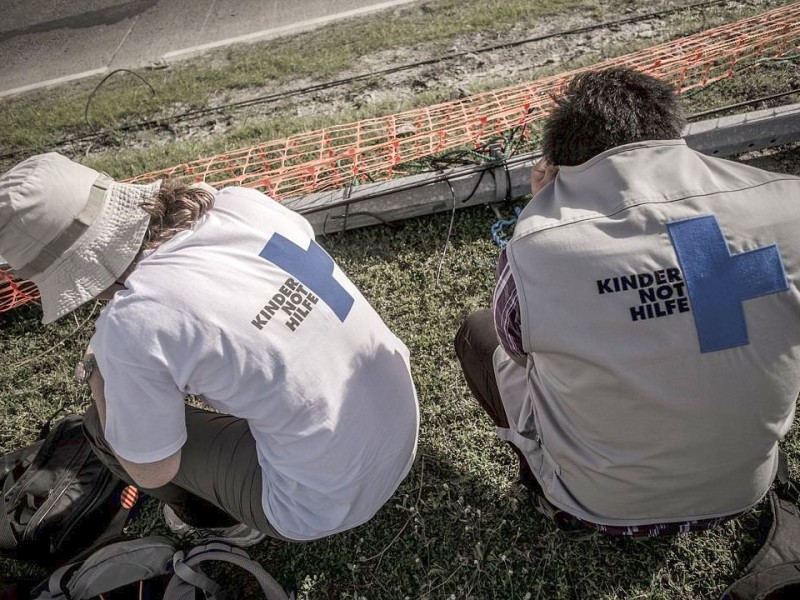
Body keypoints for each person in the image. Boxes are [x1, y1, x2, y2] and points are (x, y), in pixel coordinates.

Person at [0, 153, 419, 545]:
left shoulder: (134, 322)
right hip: (402, 429)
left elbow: (152, 467)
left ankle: (223, 520)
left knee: (102, 426)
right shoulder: (237, 202)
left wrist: (96, 376)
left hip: (322, 502)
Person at [455, 67, 800, 536]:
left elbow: (518, 349)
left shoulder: (539, 247)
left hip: (600, 506)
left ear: (560, 163)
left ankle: (546, 489)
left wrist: (542, 207)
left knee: (480, 334)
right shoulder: (787, 200)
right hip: (746, 487)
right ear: (674, 131)